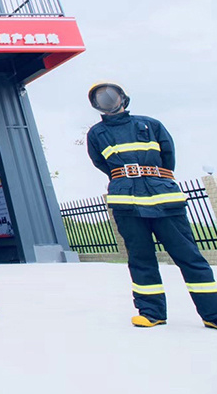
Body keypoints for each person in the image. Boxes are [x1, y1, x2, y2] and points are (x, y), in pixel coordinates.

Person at [86, 82, 217, 330]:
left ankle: (213, 313)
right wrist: (125, 179)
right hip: (127, 204)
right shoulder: (96, 134)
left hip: (164, 200)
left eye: (110, 95)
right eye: (100, 98)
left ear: (123, 98)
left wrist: (154, 177)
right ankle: (151, 312)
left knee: (189, 256)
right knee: (140, 259)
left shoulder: (150, 124)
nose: (106, 100)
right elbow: (100, 163)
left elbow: (168, 157)